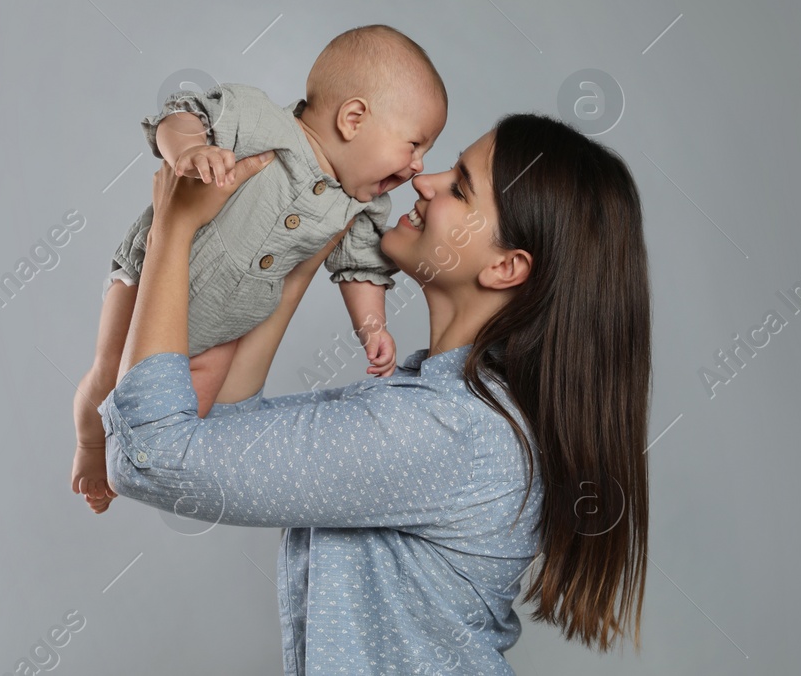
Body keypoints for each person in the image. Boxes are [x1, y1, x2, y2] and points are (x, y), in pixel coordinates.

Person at [77, 114, 652, 674]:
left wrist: (171, 232)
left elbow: (151, 457)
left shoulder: (450, 429)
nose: (423, 182)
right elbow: (226, 426)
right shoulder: (443, 403)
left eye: (458, 187)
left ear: (505, 267)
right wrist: (304, 248)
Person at [70, 26, 449, 508]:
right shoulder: (259, 120)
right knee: (111, 377)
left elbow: (361, 269)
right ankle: (89, 443)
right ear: (354, 118)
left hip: (232, 321)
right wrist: (190, 151)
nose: (418, 166)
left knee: (192, 412)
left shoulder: (359, 204)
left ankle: (131, 462)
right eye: (415, 145)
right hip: (150, 281)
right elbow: (182, 114)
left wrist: (372, 326)